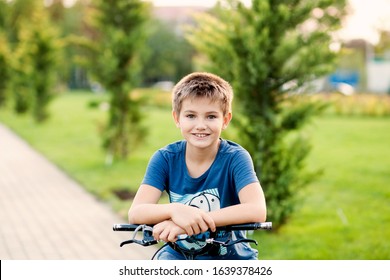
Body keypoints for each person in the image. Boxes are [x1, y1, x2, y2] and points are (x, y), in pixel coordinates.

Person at [128, 72, 266, 260]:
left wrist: (185, 224)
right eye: (191, 116)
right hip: (180, 254)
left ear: (225, 120)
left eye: (211, 116)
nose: (200, 125)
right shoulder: (165, 159)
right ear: (177, 118)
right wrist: (175, 211)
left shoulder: (235, 158)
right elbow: (136, 212)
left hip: (231, 257)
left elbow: (257, 210)